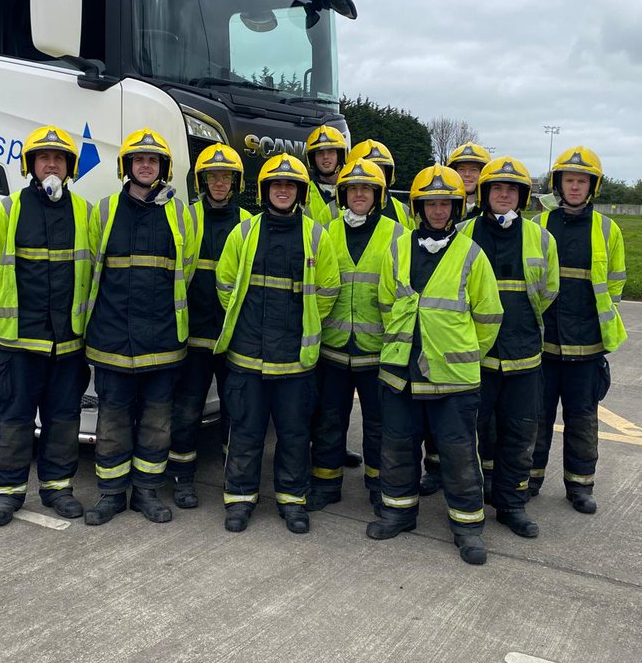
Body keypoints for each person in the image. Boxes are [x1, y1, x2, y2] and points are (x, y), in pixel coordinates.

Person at [368, 165, 503, 565]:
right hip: (399, 372)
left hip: (454, 379)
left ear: (457, 207)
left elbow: (489, 317)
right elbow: (385, 304)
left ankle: (467, 528)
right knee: (396, 447)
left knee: (459, 454)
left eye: (446, 203)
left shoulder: (471, 254)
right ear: (418, 207)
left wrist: (460, 355)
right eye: (431, 204)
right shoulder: (398, 249)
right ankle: (398, 512)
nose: (439, 211)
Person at [214, 153, 340, 534]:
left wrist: (302, 325)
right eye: (276, 184)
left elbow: (328, 290)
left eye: (289, 185)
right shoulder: (244, 232)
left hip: (294, 359)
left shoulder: (317, 235)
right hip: (248, 356)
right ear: (265, 190)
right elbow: (225, 285)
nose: (283, 190)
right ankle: (239, 499)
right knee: (246, 431)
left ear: (299, 191)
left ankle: (292, 500)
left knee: (294, 434)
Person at [0, 126, 92, 527]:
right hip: (20, 341)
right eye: (44, 158)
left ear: (70, 167)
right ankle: (7, 492)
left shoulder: (85, 213)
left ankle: (57, 488)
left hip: (67, 341)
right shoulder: (7, 210)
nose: (52, 164)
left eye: (59, 158)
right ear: (31, 165)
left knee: (63, 418)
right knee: (15, 417)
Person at [82, 129, 195, 525]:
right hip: (112, 339)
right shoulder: (103, 211)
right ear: (126, 166)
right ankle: (111, 494)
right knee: (111, 420)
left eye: (153, 160)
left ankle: (146, 493)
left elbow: (188, 271)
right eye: (138, 160)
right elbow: (89, 271)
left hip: (163, 340)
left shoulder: (181, 214)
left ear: (163, 169)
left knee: (156, 422)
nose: (146, 166)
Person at [461, 156, 559, 538]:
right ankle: (477, 496)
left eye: (512, 190)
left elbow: (548, 292)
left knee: (519, 433)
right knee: (475, 430)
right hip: (476, 355)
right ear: (485, 194)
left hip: (523, 355)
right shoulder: (465, 233)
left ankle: (512, 503)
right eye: (497, 189)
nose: (504, 195)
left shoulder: (540, 238)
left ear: (522, 196)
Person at [530, 146, 627, 515]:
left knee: (583, 421)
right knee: (535, 418)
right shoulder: (539, 226)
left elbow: (615, 286)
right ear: (558, 184)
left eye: (581, 181)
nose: (574, 187)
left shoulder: (608, 229)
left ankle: (580, 486)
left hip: (587, 347)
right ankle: (531, 480)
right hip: (543, 345)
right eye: (569, 180)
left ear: (592, 186)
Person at [308, 158, 403, 515]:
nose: (359, 194)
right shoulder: (326, 232)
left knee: (380, 423)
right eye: (352, 189)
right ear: (343, 195)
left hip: (377, 350)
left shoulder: (397, 235)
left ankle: (378, 485)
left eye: (366, 188)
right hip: (332, 348)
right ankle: (326, 483)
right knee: (329, 418)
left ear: (377, 194)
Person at [168, 143, 251, 509]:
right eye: (213, 176)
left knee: (236, 413)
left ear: (236, 182)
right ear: (202, 181)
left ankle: (235, 480)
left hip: (233, 340)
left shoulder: (249, 223)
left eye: (226, 176)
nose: (220, 183)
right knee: (186, 412)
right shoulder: (187, 217)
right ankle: (182, 479)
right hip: (194, 338)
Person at [416, 141, 492, 495]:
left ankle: (476, 505)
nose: (438, 210)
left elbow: (489, 312)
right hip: (418, 361)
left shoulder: (472, 240)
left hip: (461, 359)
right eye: (463, 169)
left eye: (475, 170)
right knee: (423, 437)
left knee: (467, 441)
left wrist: (467, 349)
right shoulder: (406, 245)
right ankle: (432, 474)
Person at [344, 139, 414, 229]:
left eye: (379, 170)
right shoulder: (334, 211)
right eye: (370, 170)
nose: (377, 176)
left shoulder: (404, 211)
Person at [304, 124, 348, 227]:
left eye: (331, 152)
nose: (326, 157)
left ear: (340, 156)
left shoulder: (353, 190)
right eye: (320, 153)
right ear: (312, 159)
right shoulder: (304, 193)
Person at [448, 142, 491, 222]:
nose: (467, 174)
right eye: (461, 169)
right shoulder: (444, 207)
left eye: (473, 170)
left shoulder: (492, 209)